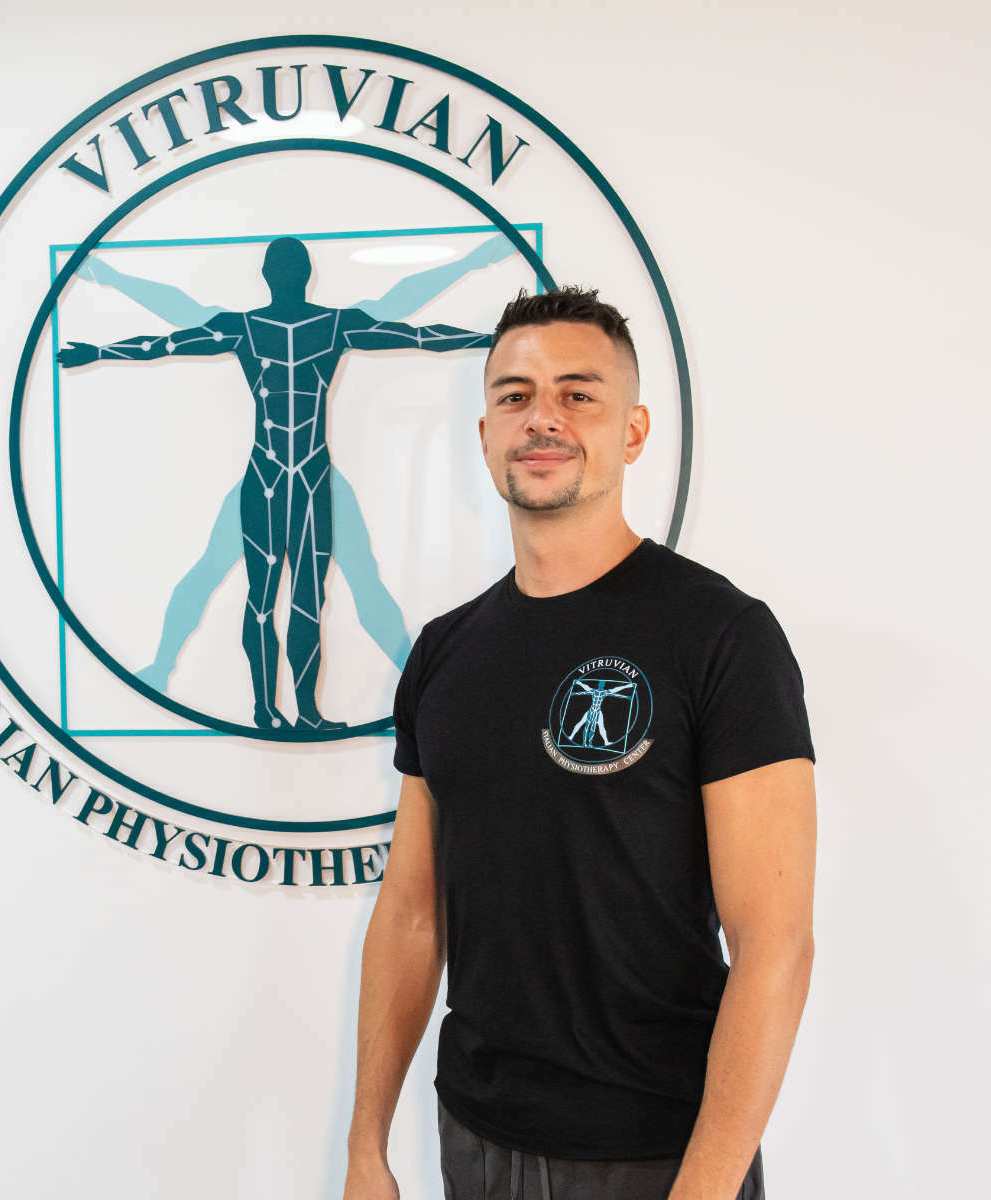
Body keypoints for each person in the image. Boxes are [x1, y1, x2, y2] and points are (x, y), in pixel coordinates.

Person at [343, 288, 816, 1199]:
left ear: (633, 432)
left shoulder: (721, 636)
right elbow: (409, 912)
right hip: (474, 1140)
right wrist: (367, 1147)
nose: (543, 418)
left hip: (657, 1155)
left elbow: (776, 945)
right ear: (486, 433)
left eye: (578, 394)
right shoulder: (444, 653)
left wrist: (705, 1189)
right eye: (516, 396)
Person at [57, 236, 490, 731]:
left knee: (282, 598)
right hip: (298, 476)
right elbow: (418, 336)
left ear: (269, 275)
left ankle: (289, 711)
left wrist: (99, 350)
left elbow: (163, 344)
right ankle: (279, 710)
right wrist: (489, 338)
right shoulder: (324, 325)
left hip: (282, 475)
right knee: (289, 599)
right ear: (303, 275)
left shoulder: (258, 327)